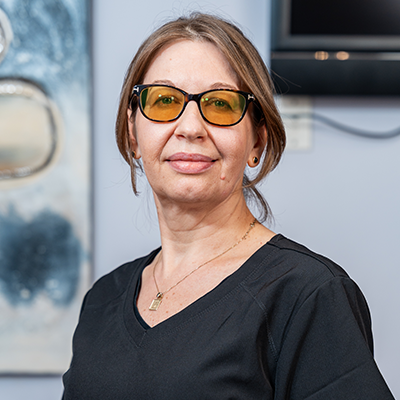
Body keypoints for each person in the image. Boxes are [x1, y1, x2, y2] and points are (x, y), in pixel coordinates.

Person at [62, 13, 394, 399]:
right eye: (165, 100)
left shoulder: (308, 294)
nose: (190, 128)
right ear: (133, 133)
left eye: (220, 104)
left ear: (257, 141)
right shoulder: (103, 298)